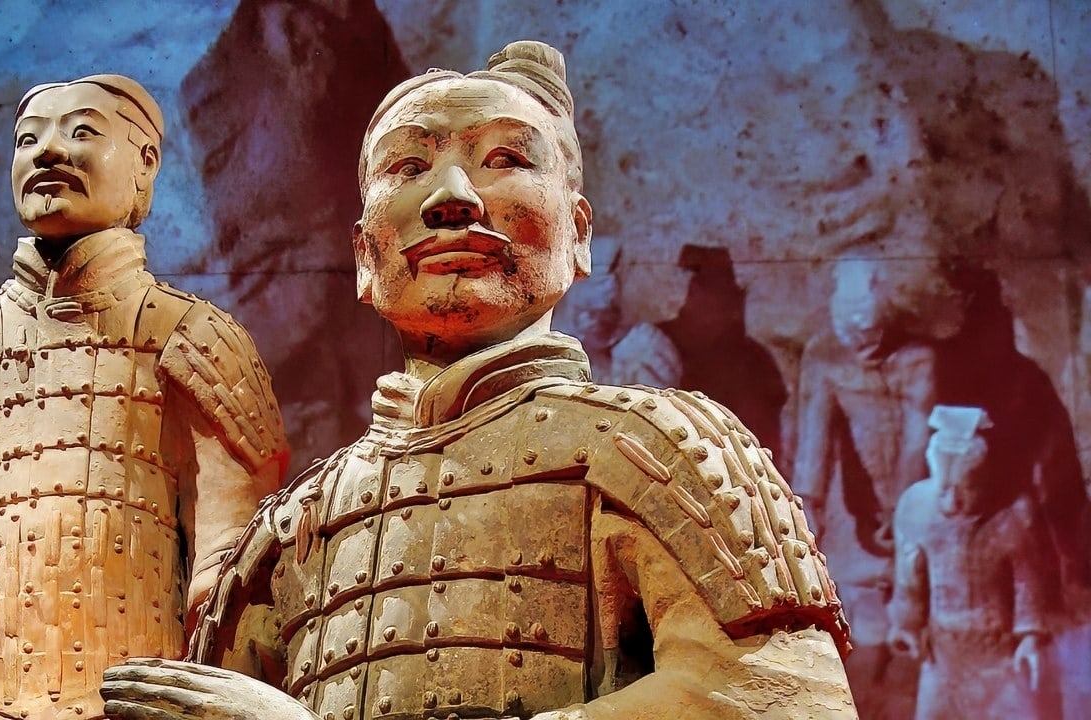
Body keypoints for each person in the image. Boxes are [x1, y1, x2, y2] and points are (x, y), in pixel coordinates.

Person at [102, 42, 854, 720]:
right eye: (408, 168)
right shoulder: (293, 528)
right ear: (365, 257)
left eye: (506, 159)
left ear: (578, 234)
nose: (451, 197)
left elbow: (779, 702)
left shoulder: (660, 448)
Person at [0, 74, 289, 720]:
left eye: (81, 131)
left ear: (146, 166)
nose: (49, 151)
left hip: (138, 707)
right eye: (28, 139)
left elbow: (231, 576)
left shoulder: (194, 338)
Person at [889, 406, 1062, 718]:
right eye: (945, 489)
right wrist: (907, 624)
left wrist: (1031, 638)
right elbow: (910, 578)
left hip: (999, 655)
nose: (952, 502)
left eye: (965, 489)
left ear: (982, 477)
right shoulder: (916, 508)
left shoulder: (1014, 514)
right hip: (943, 654)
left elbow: (1029, 580)